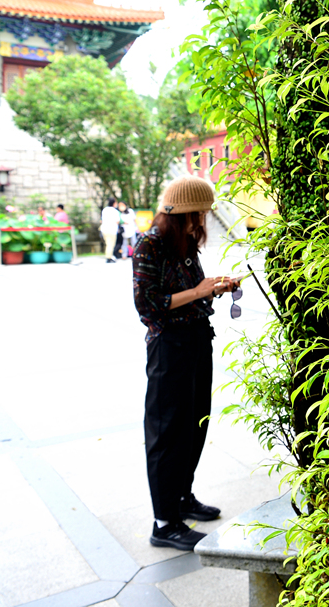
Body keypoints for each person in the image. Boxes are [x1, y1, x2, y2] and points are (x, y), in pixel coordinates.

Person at [132, 176, 239, 550]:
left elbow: (191, 293)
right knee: (167, 432)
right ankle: (164, 523)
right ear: (181, 213)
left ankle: (181, 497)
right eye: (199, 213)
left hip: (196, 339)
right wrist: (198, 290)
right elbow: (148, 305)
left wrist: (212, 289)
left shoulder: (185, 242)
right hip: (168, 346)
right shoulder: (150, 244)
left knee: (194, 425)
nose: (202, 220)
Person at [100, 198, 121, 263]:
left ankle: (109, 256)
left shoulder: (105, 210)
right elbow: (117, 221)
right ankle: (108, 257)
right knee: (110, 244)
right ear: (114, 203)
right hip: (112, 230)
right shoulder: (115, 211)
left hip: (104, 229)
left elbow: (102, 220)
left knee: (108, 243)